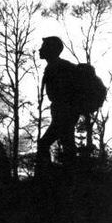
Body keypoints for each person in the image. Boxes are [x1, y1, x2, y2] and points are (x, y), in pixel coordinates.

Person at [37, 36, 80, 173]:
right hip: (63, 112)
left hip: (64, 113)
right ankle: (66, 179)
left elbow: (64, 93)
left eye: (43, 47)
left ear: (51, 49)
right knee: (68, 146)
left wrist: (65, 110)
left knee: (45, 144)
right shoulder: (56, 66)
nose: (40, 49)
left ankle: (51, 180)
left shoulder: (59, 68)